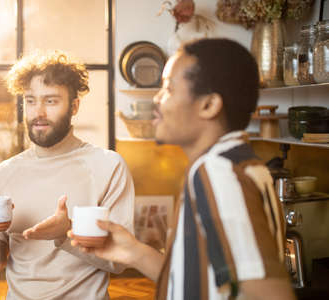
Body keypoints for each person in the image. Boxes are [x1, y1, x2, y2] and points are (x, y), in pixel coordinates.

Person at [70, 38, 296, 300]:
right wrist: (133, 251)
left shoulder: (217, 172)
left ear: (209, 105)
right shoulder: (244, 166)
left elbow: (267, 293)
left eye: (168, 88)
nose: (157, 98)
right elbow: (207, 281)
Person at [0, 50, 134, 300]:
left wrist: (66, 233)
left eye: (51, 101)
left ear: (74, 106)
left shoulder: (108, 167)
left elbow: (120, 261)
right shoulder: (2, 174)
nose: (38, 113)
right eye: (31, 101)